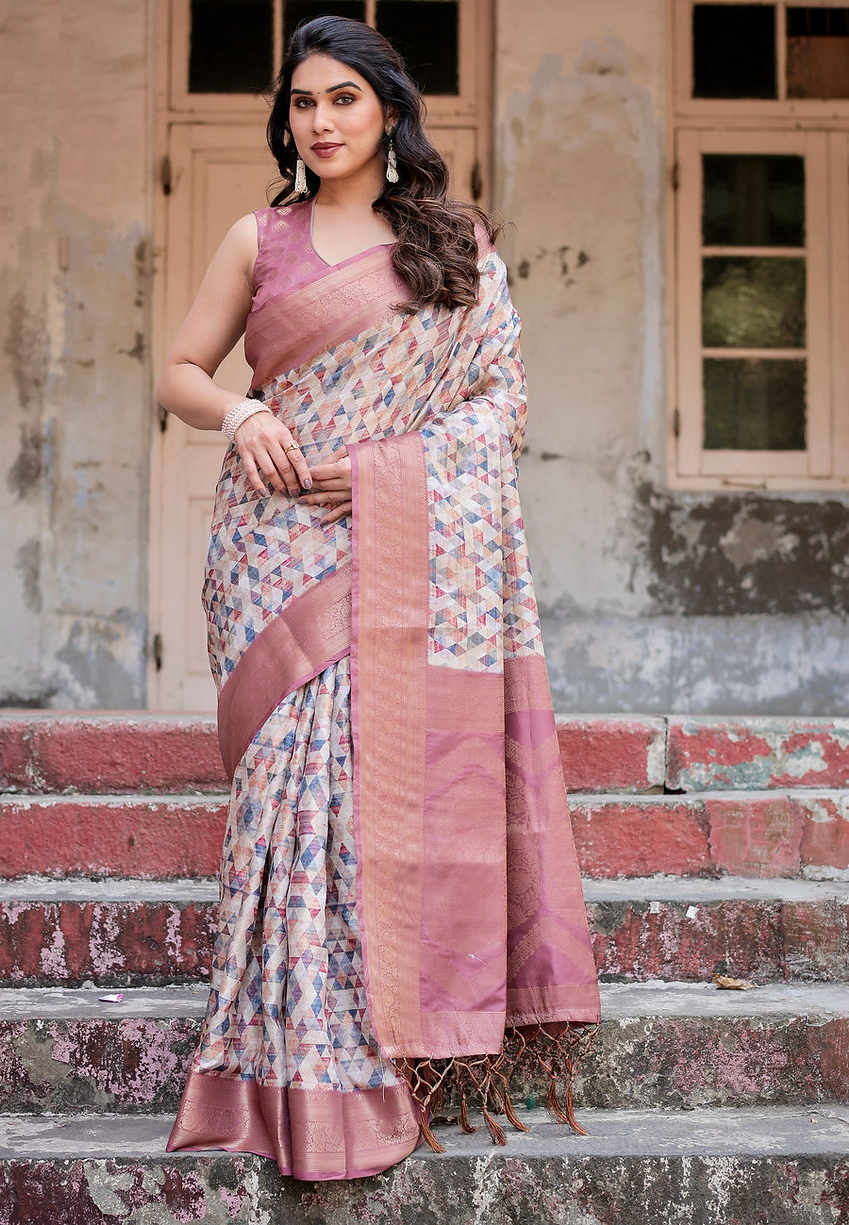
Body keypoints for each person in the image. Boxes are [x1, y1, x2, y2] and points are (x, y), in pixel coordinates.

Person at [157, 15, 601, 1183]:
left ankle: (367, 1054)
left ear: (387, 111)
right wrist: (244, 411)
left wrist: (386, 473)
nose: (321, 121)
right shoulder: (259, 236)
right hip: (272, 546)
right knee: (289, 798)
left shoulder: (451, 245)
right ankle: (279, 1059)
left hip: (397, 537)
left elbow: (498, 403)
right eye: (302, 103)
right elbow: (178, 371)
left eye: (343, 99)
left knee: (367, 794)